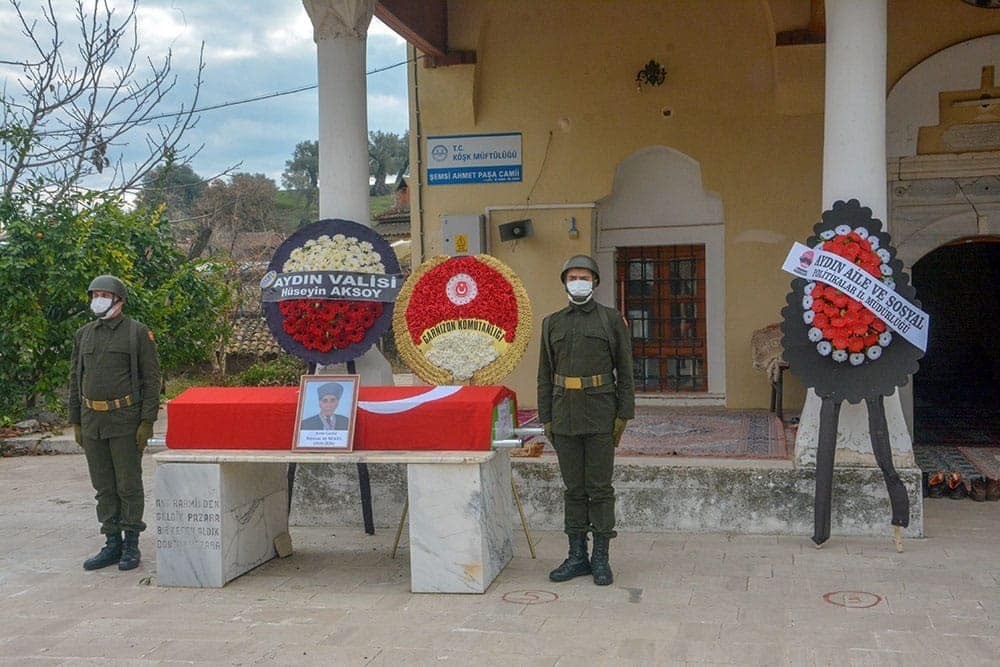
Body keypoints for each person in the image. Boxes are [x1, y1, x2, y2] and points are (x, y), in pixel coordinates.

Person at [537, 254, 634, 586]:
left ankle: (601, 557)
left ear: (595, 282)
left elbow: (626, 371)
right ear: (564, 281)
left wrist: (623, 414)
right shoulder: (552, 323)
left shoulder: (610, 320)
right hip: (564, 414)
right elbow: (544, 375)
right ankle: (577, 555)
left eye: (585, 277)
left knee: (600, 489)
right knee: (573, 489)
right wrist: (547, 417)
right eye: (573, 276)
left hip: (600, 414)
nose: (579, 281)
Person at [69, 275, 161, 572]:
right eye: (95, 294)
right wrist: (76, 421)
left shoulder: (137, 333)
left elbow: (151, 380)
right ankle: (112, 541)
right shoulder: (84, 334)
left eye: (104, 294)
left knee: (128, 483)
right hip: (91, 419)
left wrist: (147, 421)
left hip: (124, 420)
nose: (98, 299)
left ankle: (131, 541)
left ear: (119, 300)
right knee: (103, 485)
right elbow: (75, 379)